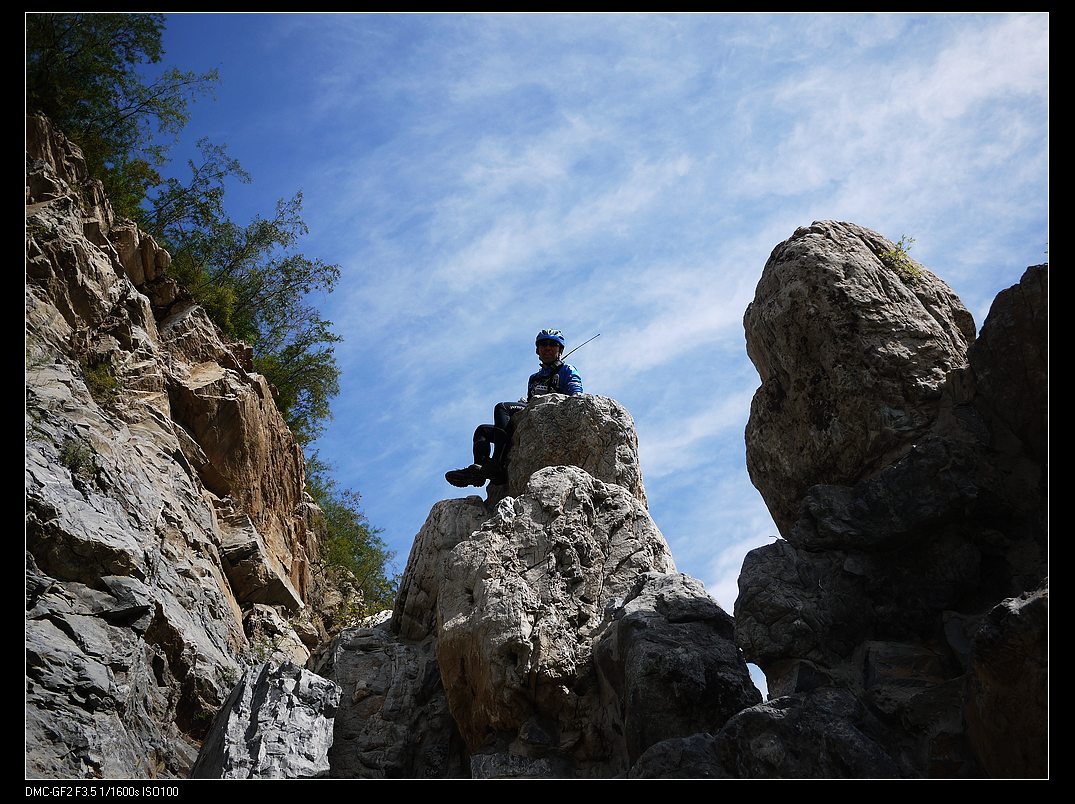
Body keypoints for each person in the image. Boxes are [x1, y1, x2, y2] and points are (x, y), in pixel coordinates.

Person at [445, 329, 584, 488]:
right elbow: (530, 402)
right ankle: (480, 471)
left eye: (553, 344)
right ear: (537, 350)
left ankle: (495, 464)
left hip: (552, 413)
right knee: (482, 431)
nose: (547, 347)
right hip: (533, 414)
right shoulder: (534, 378)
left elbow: (577, 396)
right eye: (543, 344)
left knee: (502, 408)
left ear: (560, 350)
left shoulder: (567, 370)